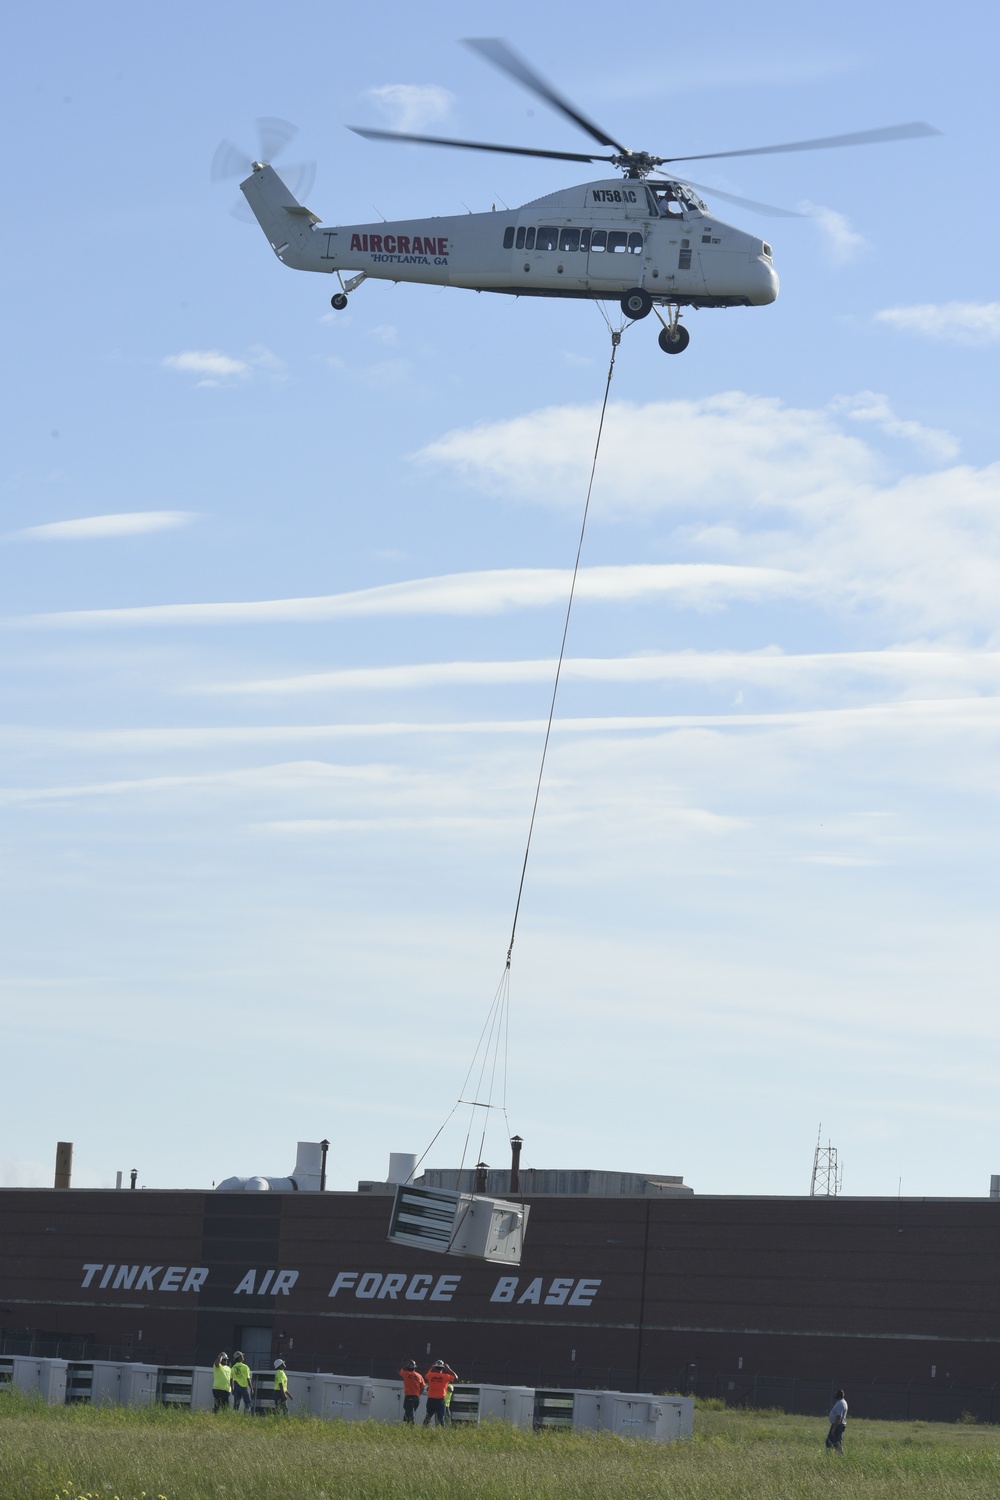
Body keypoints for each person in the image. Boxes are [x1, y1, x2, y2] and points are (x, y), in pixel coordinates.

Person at [423, 1359, 457, 1426]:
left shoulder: (431, 1375)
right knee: (441, 1418)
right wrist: (448, 1368)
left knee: (428, 1417)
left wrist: (431, 1367)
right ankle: (442, 1431)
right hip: (440, 1400)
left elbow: (425, 1374)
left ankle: (423, 1429)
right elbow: (456, 1377)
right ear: (442, 1368)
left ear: (435, 1368)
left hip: (431, 1400)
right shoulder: (445, 1376)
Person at [398, 1359, 426, 1424]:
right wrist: (418, 1395)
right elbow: (423, 1387)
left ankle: (411, 1427)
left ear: (407, 1367)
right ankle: (404, 1426)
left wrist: (404, 1363)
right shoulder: (419, 1376)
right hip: (416, 1398)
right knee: (407, 1413)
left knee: (410, 1414)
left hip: (409, 1397)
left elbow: (398, 1370)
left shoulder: (405, 1374)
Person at [826, 1388, 848, 1453]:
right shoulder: (841, 1402)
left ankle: (840, 1456)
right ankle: (829, 1457)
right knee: (829, 1442)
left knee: (837, 1443)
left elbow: (838, 1416)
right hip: (836, 1425)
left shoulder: (840, 1403)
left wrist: (834, 1428)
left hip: (837, 1426)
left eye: (836, 1394)